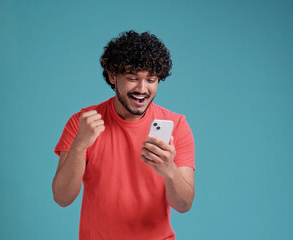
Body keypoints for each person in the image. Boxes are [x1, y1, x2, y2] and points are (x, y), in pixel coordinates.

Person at [52, 30, 195, 240]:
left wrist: (169, 170)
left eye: (151, 80)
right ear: (112, 76)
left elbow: (183, 205)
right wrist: (80, 145)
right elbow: (62, 198)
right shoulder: (82, 123)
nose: (142, 89)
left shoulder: (177, 125)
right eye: (132, 78)